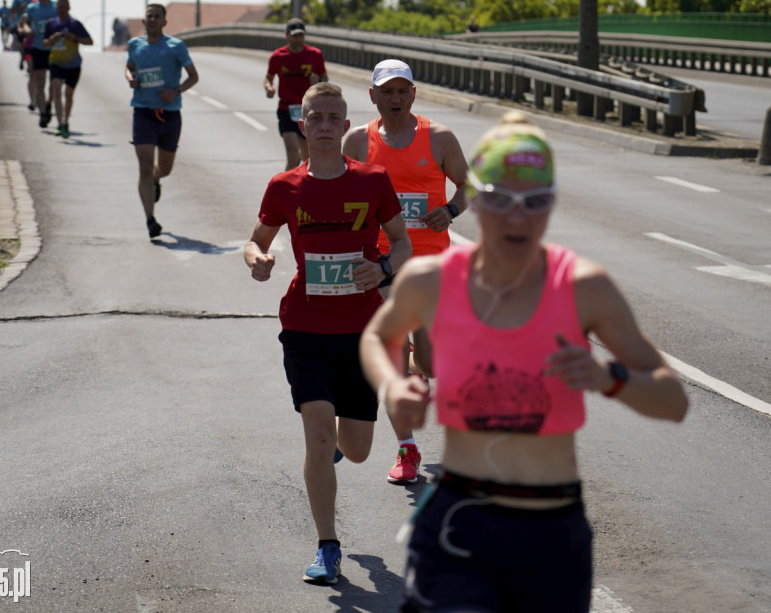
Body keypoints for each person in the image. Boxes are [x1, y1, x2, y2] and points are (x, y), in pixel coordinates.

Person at [360, 112, 689, 612]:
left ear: (552, 203)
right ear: (476, 199)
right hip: (457, 523)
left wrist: (609, 377)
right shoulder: (431, 280)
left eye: (534, 202)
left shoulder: (583, 287)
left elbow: (673, 400)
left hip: (551, 531)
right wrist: (391, 385)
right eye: (499, 200)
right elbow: (376, 338)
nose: (517, 218)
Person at [244, 82, 411, 585]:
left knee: (355, 449)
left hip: (361, 331)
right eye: (314, 117)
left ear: (345, 126)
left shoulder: (373, 179)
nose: (322, 126)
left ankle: (340, 441)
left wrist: (382, 268)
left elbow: (402, 244)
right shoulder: (284, 186)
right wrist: (259, 260)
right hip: (304, 327)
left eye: (332, 118)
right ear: (303, 123)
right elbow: (255, 242)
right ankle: (327, 546)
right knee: (318, 437)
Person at [343, 59, 470, 485]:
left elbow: (469, 185)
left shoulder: (438, 138)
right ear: (372, 96)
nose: (395, 99)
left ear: (413, 94)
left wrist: (449, 210)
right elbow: (336, 192)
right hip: (383, 263)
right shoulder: (358, 141)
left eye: (402, 91)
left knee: (429, 362)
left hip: (431, 265)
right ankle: (407, 448)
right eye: (387, 91)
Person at [125, 3, 199, 238]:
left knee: (163, 169)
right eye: (150, 16)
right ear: (144, 22)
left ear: (165, 22)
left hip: (170, 113)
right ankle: (150, 220)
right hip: (143, 111)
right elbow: (129, 67)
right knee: (145, 167)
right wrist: (130, 78)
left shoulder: (176, 46)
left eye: (158, 16)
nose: (153, 20)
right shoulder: (135, 45)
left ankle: (157, 180)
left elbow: (193, 77)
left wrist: (175, 92)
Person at [263, 18, 328, 170]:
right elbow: (268, 77)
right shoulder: (278, 56)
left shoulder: (315, 54)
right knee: (293, 155)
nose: (298, 39)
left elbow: (325, 79)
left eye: (301, 35)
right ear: (286, 35)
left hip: (309, 110)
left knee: (307, 158)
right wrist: (269, 87)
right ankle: (286, 190)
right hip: (286, 109)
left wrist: (317, 80)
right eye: (294, 35)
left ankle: (306, 190)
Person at [42, 0, 93, 138]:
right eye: (60, 7)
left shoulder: (75, 24)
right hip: (56, 63)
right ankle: (60, 124)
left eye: (65, 7)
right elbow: (44, 43)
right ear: (56, 9)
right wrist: (52, 39)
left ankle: (66, 121)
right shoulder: (50, 24)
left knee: (68, 94)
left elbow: (90, 41)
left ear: (69, 8)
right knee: (56, 90)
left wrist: (74, 37)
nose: (62, 10)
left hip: (73, 65)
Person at [25, 0, 57, 126]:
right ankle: (43, 113)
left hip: (54, 48)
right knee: (40, 81)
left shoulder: (55, 7)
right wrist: (27, 30)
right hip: (38, 47)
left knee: (54, 83)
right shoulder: (32, 8)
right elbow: (24, 22)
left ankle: (49, 103)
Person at [10, 0, 33, 68]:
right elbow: (11, 10)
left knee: (29, 45)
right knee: (21, 44)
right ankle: (22, 57)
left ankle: (27, 60)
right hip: (19, 25)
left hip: (30, 25)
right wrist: (20, 7)